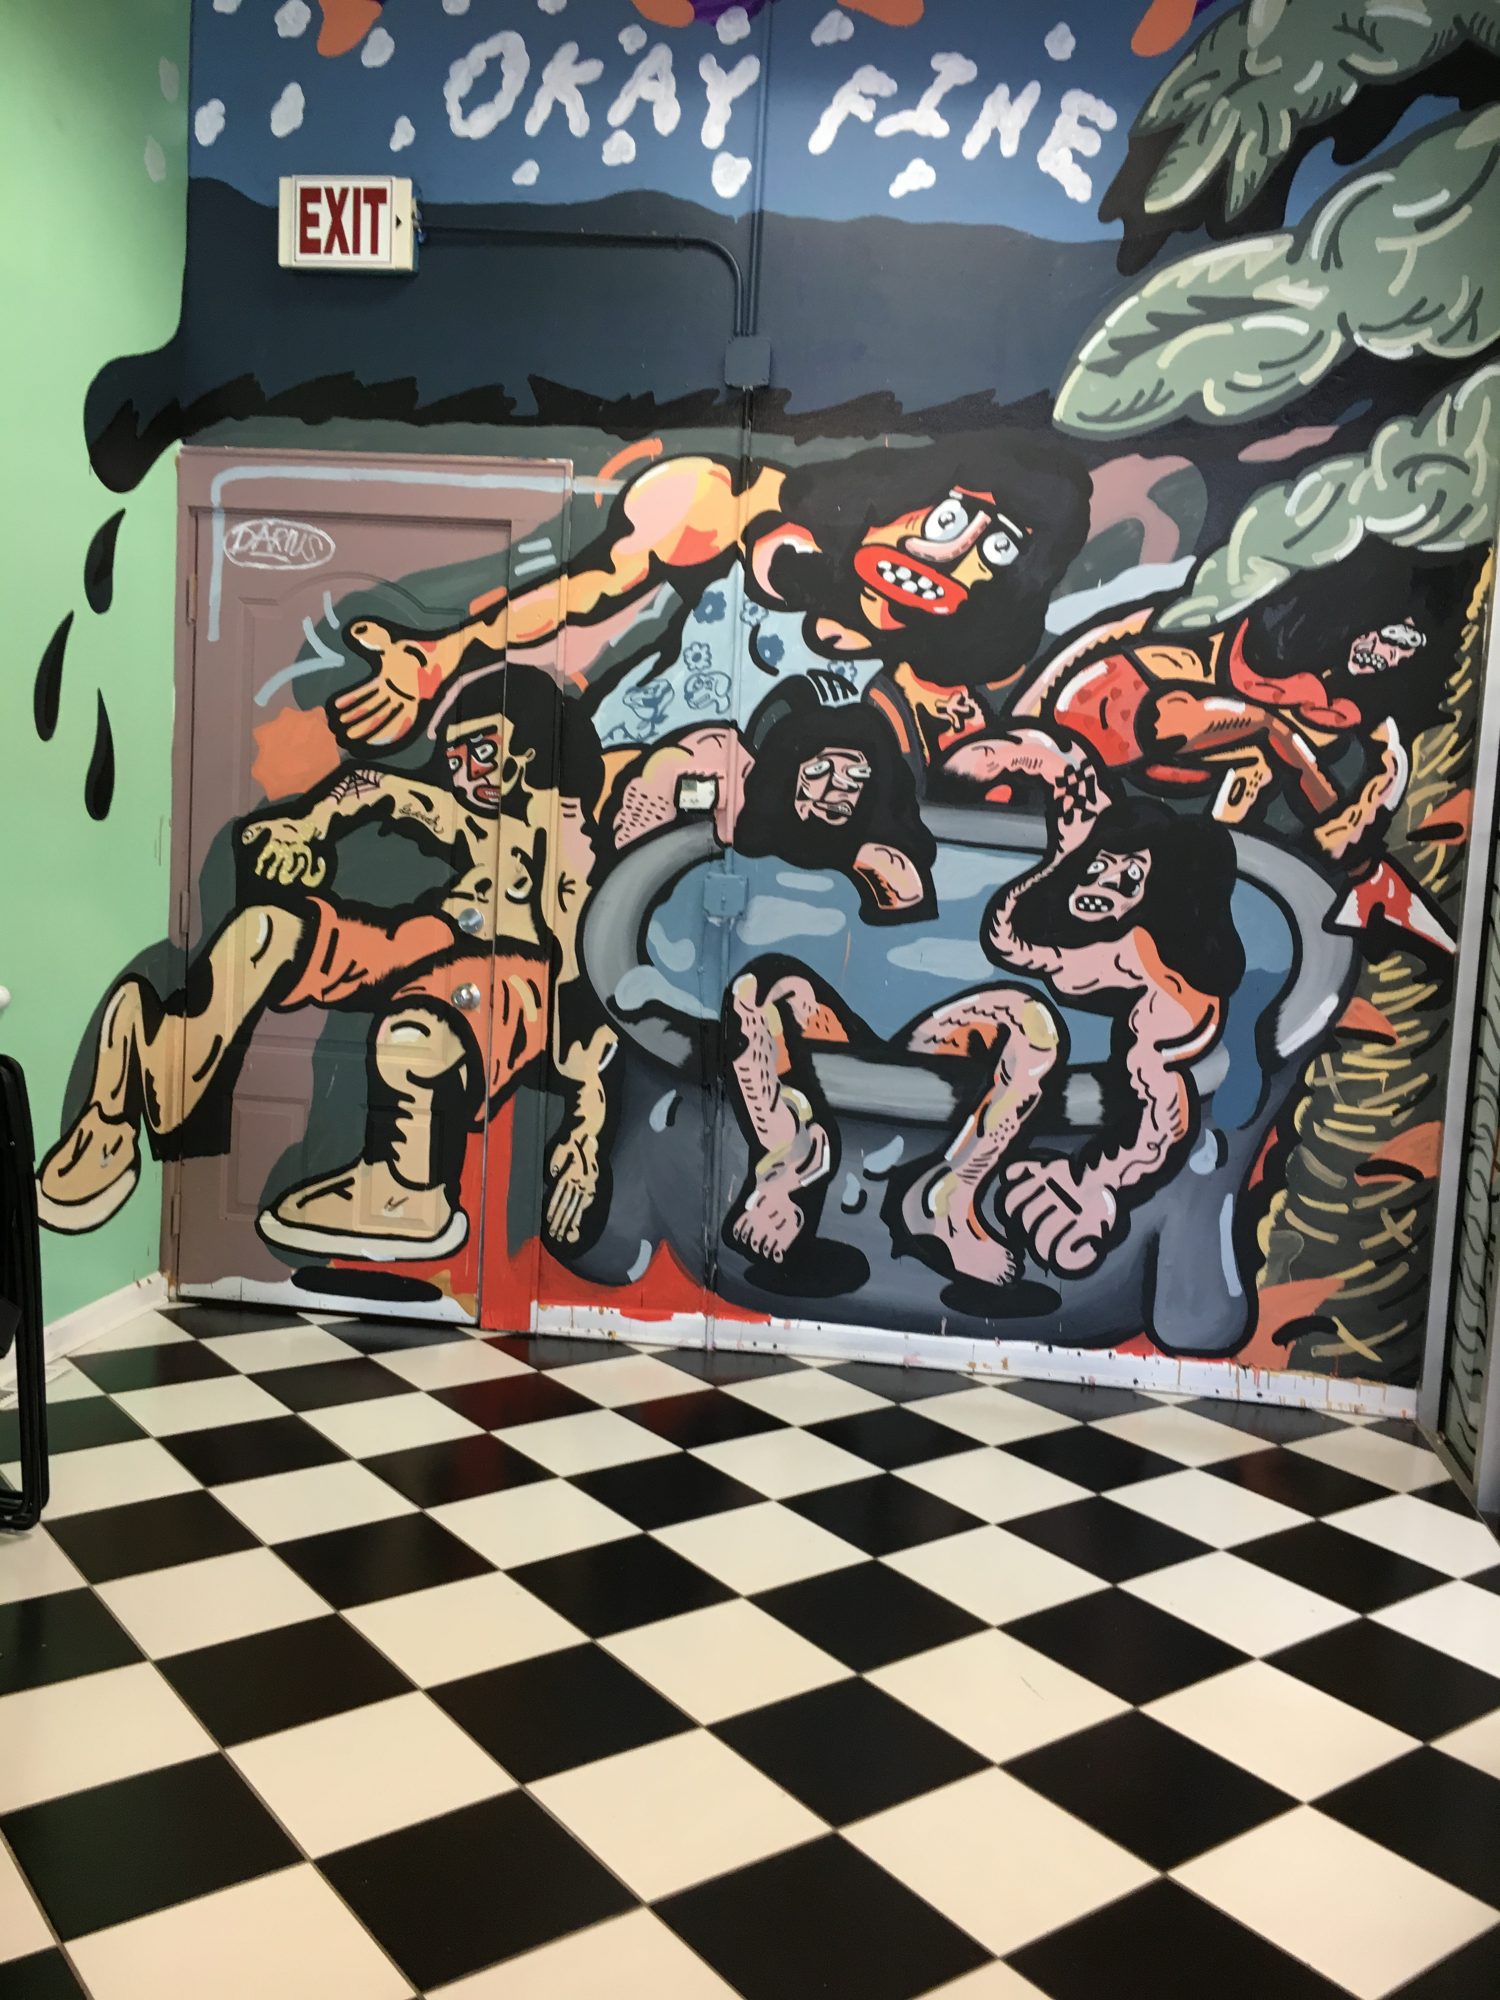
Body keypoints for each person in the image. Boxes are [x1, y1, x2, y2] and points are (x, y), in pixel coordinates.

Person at [38, 668, 616, 1263]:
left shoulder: (568, 850)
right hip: (435, 936)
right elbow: (377, 786)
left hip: (509, 975)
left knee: (417, 1033)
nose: (467, 773)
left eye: (483, 750)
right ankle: (146, 1067)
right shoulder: (479, 823)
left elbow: (582, 1000)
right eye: (457, 757)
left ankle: (407, 1189)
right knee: (263, 932)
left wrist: (587, 1127)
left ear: (530, 744)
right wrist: (305, 825)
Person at [724, 731, 1244, 1287]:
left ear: (1166, 899)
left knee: (1031, 1023)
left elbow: (1161, 1119)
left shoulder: (1168, 999)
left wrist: (1095, 1186)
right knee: (759, 990)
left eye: (1128, 876)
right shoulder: (1090, 912)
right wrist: (1048, 837)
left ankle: (948, 1198)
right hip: (925, 1036)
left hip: (988, 1052)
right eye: (1102, 865)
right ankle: (790, 1156)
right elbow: (1012, 934)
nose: (1103, 880)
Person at [329, 434, 1091, 762]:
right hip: (596, 795)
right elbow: (586, 591)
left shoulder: (929, 677)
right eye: (951, 519)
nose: (946, 553)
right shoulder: (727, 506)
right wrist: (445, 655)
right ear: (901, 495)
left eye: (997, 549)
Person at [610, 669, 937, 922]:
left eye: (856, 775)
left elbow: (906, 911)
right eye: (819, 771)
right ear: (785, 775)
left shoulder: (879, 856)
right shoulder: (746, 818)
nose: (838, 786)